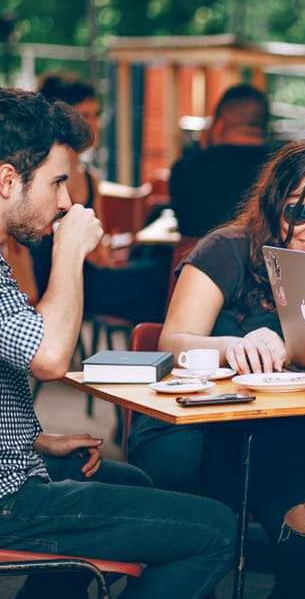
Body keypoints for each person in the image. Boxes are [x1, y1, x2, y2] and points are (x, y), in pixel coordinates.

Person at [0, 87, 236, 599]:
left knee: (135, 484)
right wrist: (69, 252)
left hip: (11, 468)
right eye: (58, 182)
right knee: (215, 530)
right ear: (7, 180)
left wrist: (29, 440)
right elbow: (50, 358)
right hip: (7, 498)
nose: (66, 201)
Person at [128, 138, 305, 599]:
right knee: (198, 544)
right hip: (199, 427)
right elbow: (172, 342)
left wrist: (287, 345)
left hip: (289, 432)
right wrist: (236, 344)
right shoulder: (225, 248)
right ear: (274, 207)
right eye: (299, 212)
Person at [29, 71, 172, 323]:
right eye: (84, 116)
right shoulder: (36, 177)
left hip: (89, 276)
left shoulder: (90, 179)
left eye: (96, 115)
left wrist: (109, 252)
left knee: (165, 267)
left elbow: (99, 247)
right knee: (164, 276)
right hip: (58, 280)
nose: (92, 125)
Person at [169, 83, 273, 238]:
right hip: (261, 260)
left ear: (219, 123)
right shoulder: (282, 169)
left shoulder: (185, 169)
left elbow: (185, 228)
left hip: (196, 260)